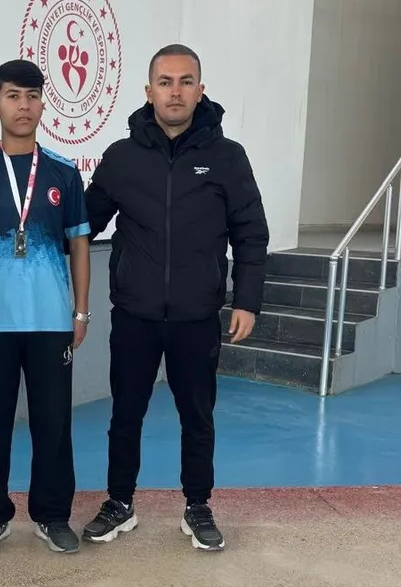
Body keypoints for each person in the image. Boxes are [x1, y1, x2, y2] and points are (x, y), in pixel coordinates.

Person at [81, 44, 269, 552]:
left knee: (197, 417)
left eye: (186, 82)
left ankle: (198, 505)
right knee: (126, 415)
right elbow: (82, 224)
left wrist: (247, 299)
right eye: (165, 82)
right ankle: (119, 502)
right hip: (135, 315)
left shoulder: (227, 158)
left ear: (200, 90)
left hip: (196, 316)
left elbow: (250, 233)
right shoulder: (121, 158)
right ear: (149, 91)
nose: (176, 92)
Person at [0, 59, 91, 555]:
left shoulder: (64, 173)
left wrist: (81, 312)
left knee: (54, 425)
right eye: (13, 96)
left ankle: (52, 515)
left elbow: (79, 245)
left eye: (31, 96)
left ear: (43, 105)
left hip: (51, 321)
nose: (23, 106)